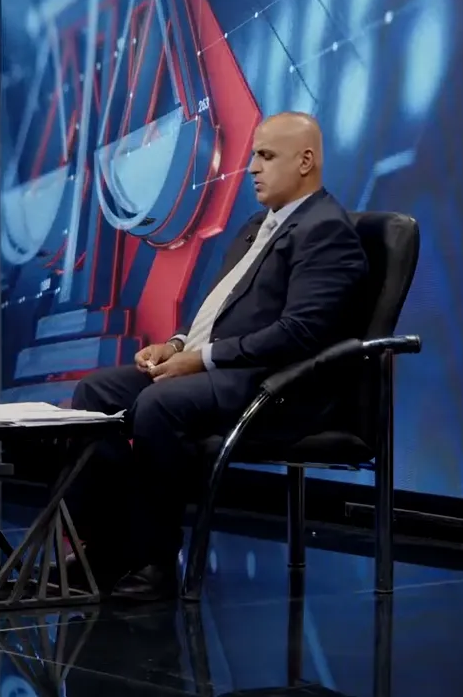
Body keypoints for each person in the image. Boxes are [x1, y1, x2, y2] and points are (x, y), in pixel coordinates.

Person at [69, 112, 370, 600]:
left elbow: (301, 334)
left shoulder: (325, 231)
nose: (252, 167)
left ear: (305, 162)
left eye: (266, 156)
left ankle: (156, 562)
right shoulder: (257, 226)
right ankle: (107, 548)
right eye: (253, 155)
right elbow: (219, 309)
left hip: (275, 386)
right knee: (96, 392)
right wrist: (177, 345)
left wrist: (203, 359)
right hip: (221, 369)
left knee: (159, 405)